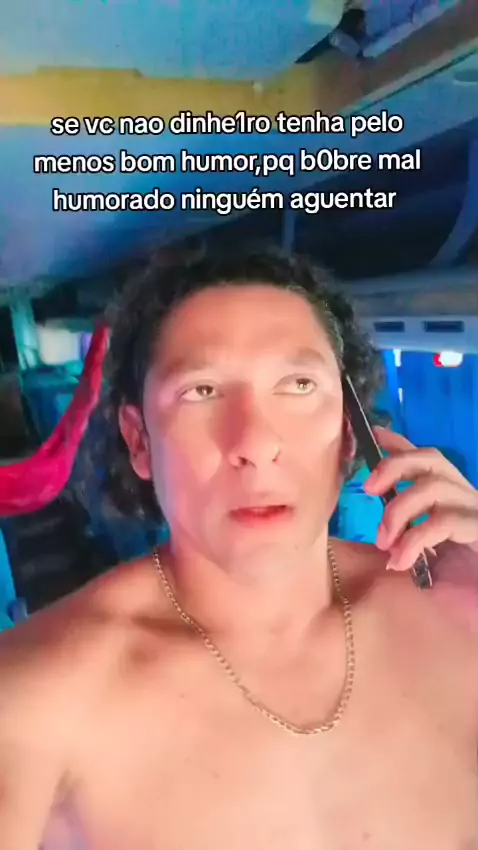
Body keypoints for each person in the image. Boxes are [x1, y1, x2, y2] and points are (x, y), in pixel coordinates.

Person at [0, 248, 477, 850]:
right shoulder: (33, 698)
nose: (255, 442)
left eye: (298, 385)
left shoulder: (460, 614)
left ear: (348, 432)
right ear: (139, 442)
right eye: (201, 391)